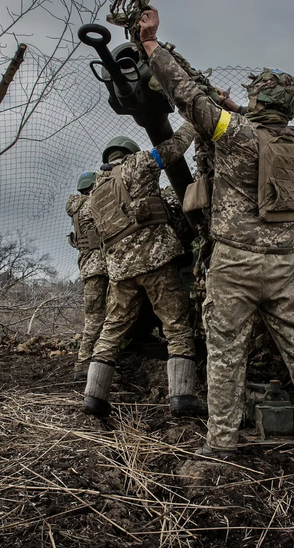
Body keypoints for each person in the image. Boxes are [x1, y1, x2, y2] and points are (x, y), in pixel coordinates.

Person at [139, 7, 294, 460]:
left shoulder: (233, 134)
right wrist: (238, 108)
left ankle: (222, 443)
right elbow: (255, 126)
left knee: (225, 353)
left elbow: (185, 97)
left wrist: (152, 45)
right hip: (284, 264)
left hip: (234, 263)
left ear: (257, 102)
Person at [82, 132, 206, 418]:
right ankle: (182, 396)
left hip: (119, 272)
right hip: (155, 262)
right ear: (130, 152)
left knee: (111, 331)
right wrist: (193, 120)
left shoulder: (97, 189)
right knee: (176, 327)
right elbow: (173, 148)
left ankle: (93, 397)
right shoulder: (138, 164)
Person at [66, 171, 108, 381]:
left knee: (95, 316)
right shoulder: (91, 205)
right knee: (95, 318)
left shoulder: (76, 207)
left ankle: (88, 361)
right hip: (99, 266)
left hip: (89, 268)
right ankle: (84, 363)